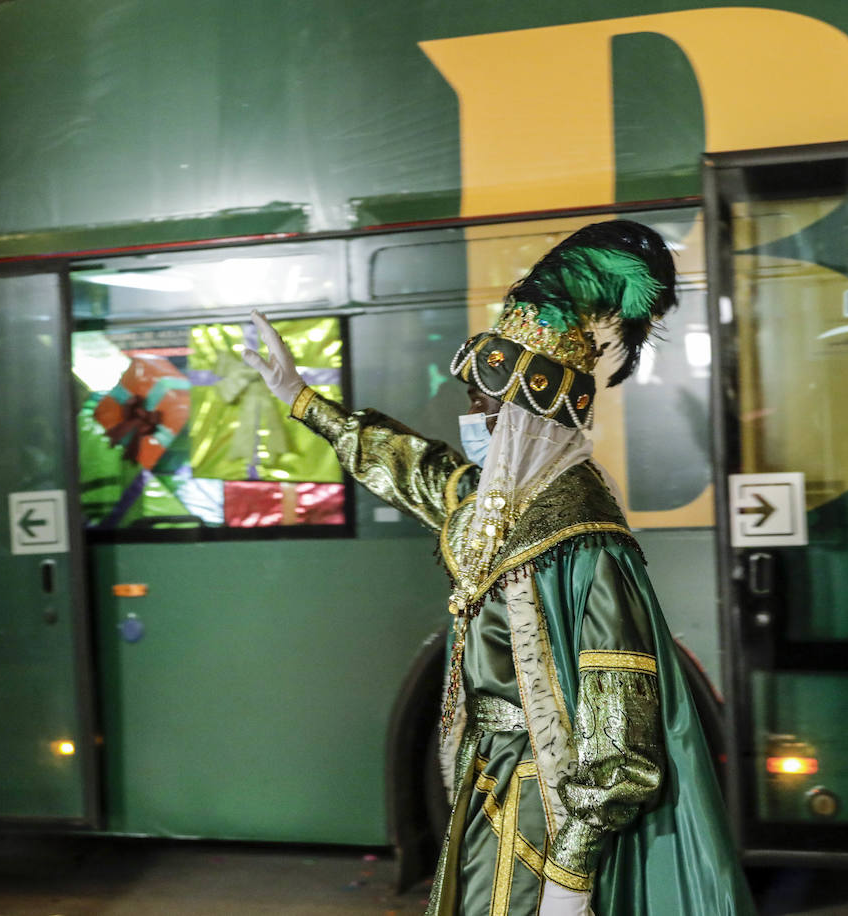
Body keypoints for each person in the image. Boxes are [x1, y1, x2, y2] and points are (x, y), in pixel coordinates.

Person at [243, 220, 754, 915]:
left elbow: (620, 745)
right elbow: (408, 466)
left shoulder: (586, 545)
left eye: (485, 402)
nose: (471, 414)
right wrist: (301, 397)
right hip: (487, 784)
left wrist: (569, 881)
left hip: (544, 815)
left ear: (527, 411)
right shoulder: (493, 505)